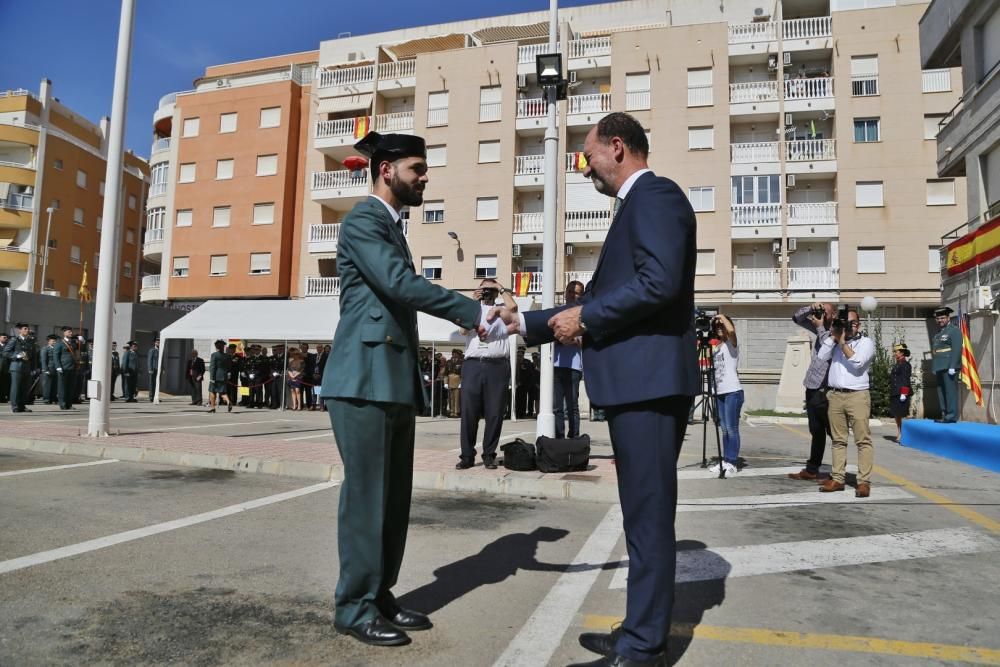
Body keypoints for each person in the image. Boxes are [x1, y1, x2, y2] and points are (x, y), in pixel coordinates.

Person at [491, 112, 698, 667]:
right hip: (639, 385)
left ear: (618, 146)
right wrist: (531, 323)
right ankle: (639, 629)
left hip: (649, 386)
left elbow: (659, 282)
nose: (585, 170)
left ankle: (643, 646)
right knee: (640, 515)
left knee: (649, 517)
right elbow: (622, 291)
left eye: (587, 158)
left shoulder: (656, 196)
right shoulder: (636, 205)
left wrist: (585, 316)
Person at [318, 130, 503, 647]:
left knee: (393, 499)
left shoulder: (391, 227)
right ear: (386, 170)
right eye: (417, 169)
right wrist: (475, 313)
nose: (424, 179)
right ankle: (353, 606)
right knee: (367, 498)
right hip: (362, 379)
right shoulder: (363, 220)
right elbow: (400, 285)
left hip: (389, 379)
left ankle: (378, 595)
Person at [456, 278, 516, 470]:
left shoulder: (502, 310)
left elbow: (514, 310)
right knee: (468, 412)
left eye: (490, 290)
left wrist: (500, 288)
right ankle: (467, 456)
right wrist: (473, 302)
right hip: (474, 364)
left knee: (495, 412)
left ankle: (489, 454)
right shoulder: (472, 309)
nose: (487, 293)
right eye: (484, 290)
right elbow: (463, 330)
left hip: (497, 365)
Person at [817, 309, 876, 498]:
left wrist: (842, 343)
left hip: (857, 395)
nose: (846, 326)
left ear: (857, 324)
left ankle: (864, 482)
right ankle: (838, 478)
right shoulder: (835, 341)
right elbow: (821, 357)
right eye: (843, 323)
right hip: (835, 395)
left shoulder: (866, 342)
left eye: (850, 323)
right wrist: (834, 337)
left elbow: (858, 362)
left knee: (862, 440)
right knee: (838, 440)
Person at [788, 302, 835, 481]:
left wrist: (821, 326)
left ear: (834, 315)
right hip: (812, 387)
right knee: (816, 431)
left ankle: (839, 471)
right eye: (820, 311)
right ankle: (812, 468)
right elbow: (796, 318)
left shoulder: (835, 332)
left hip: (826, 390)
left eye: (825, 311)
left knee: (834, 433)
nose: (821, 314)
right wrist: (810, 308)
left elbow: (827, 346)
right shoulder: (819, 327)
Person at [710, 314, 743, 476]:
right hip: (720, 392)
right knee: (724, 430)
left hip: (733, 391)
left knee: (731, 428)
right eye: (716, 326)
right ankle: (725, 460)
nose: (719, 328)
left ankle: (732, 462)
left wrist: (721, 316)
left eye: (721, 325)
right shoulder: (717, 346)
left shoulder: (732, 343)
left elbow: (730, 330)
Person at [554, 280, 585, 438]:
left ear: (582, 295)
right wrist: (569, 338)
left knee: (572, 406)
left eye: (577, 292)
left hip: (573, 367)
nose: (572, 295)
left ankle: (574, 438)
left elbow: (581, 342)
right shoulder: (556, 313)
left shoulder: (583, 315)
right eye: (570, 291)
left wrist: (568, 339)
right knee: (556, 407)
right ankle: (559, 439)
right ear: (565, 293)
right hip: (555, 366)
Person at [931, 306, 962, 423]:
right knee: (941, 391)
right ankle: (945, 414)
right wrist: (934, 367)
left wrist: (953, 366)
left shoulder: (954, 331)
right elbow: (936, 352)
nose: (940, 320)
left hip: (949, 366)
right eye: (938, 318)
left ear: (948, 318)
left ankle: (951, 416)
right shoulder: (939, 334)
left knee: (950, 392)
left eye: (943, 318)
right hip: (940, 366)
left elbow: (956, 349)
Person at [4, 323, 38, 413]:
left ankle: (22, 405)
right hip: (16, 367)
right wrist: (17, 355)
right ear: (20, 330)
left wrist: (34, 368)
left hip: (27, 367)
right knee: (16, 387)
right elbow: (5, 352)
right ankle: (15, 406)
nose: (27, 330)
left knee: (24, 388)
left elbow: (34, 356)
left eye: (28, 329)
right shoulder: (14, 340)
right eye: (25, 329)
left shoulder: (30, 341)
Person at [890, 343, 913, 441]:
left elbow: (905, 380)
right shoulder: (897, 364)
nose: (894, 353)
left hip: (902, 393)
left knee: (902, 414)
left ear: (902, 352)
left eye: (896, 351)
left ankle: (903, 433)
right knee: (896, 414)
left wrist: (904, 393)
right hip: (895, 392)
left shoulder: (905, 365)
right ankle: (899, 431)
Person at [53, 326, 78, 410]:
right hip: (63, 367)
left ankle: (69, 404)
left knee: (70, 387)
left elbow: (80, 349)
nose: (70, 333)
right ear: (64, 333)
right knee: (62, 387)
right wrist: (58, 366)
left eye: (71, 332)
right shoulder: (59, 343)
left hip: (72, 367)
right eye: (68, 332)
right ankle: (62, 403)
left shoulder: (73, 342)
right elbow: (56, 355)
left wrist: (83, 341)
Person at [208, 339, 232, 413]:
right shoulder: (227, 356)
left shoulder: (214, 355)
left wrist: (212, 378)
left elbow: (213, 367)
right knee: (222, 392)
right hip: (224, 375)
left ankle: (212, 408)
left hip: (216, 376)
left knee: (212, 391)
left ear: (216, 346)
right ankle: (228, 401)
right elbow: (229, 366)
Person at [40, 335, 59, 404]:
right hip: (49, 368)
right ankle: (46, 398)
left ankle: (53, 398)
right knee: (47, 385)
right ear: (48, 341)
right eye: (53, 341)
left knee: (54, 384)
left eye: (55, 341)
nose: (54, 342)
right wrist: (45, 369)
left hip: (55, 369)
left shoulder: (56, 348)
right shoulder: (45, 349)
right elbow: (43, 360)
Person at [445, 349, 463, 417]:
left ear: (458, 355)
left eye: (456, 354)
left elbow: (462, 374)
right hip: (450, 379)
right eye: (453, 353)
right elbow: (446, 373)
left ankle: (456, 412)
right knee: (451, 398)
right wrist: (445, 382)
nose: (454, 355)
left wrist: (461, 382)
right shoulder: (448, 362)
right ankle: (451, 411)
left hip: (457, 379)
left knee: (457, 398)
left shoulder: (461, 362)